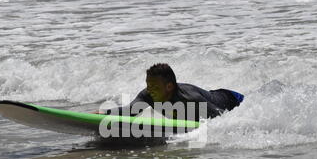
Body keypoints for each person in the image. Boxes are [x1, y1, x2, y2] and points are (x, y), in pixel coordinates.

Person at [101, 63, 244, 121]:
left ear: (169, 87)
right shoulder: (148, 94)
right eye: (148, 85)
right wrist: (101, 114)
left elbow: (222, 118)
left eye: (155, 87)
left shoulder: (190, 98)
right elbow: (130, 110)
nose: (149, 90)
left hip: (232, 99)